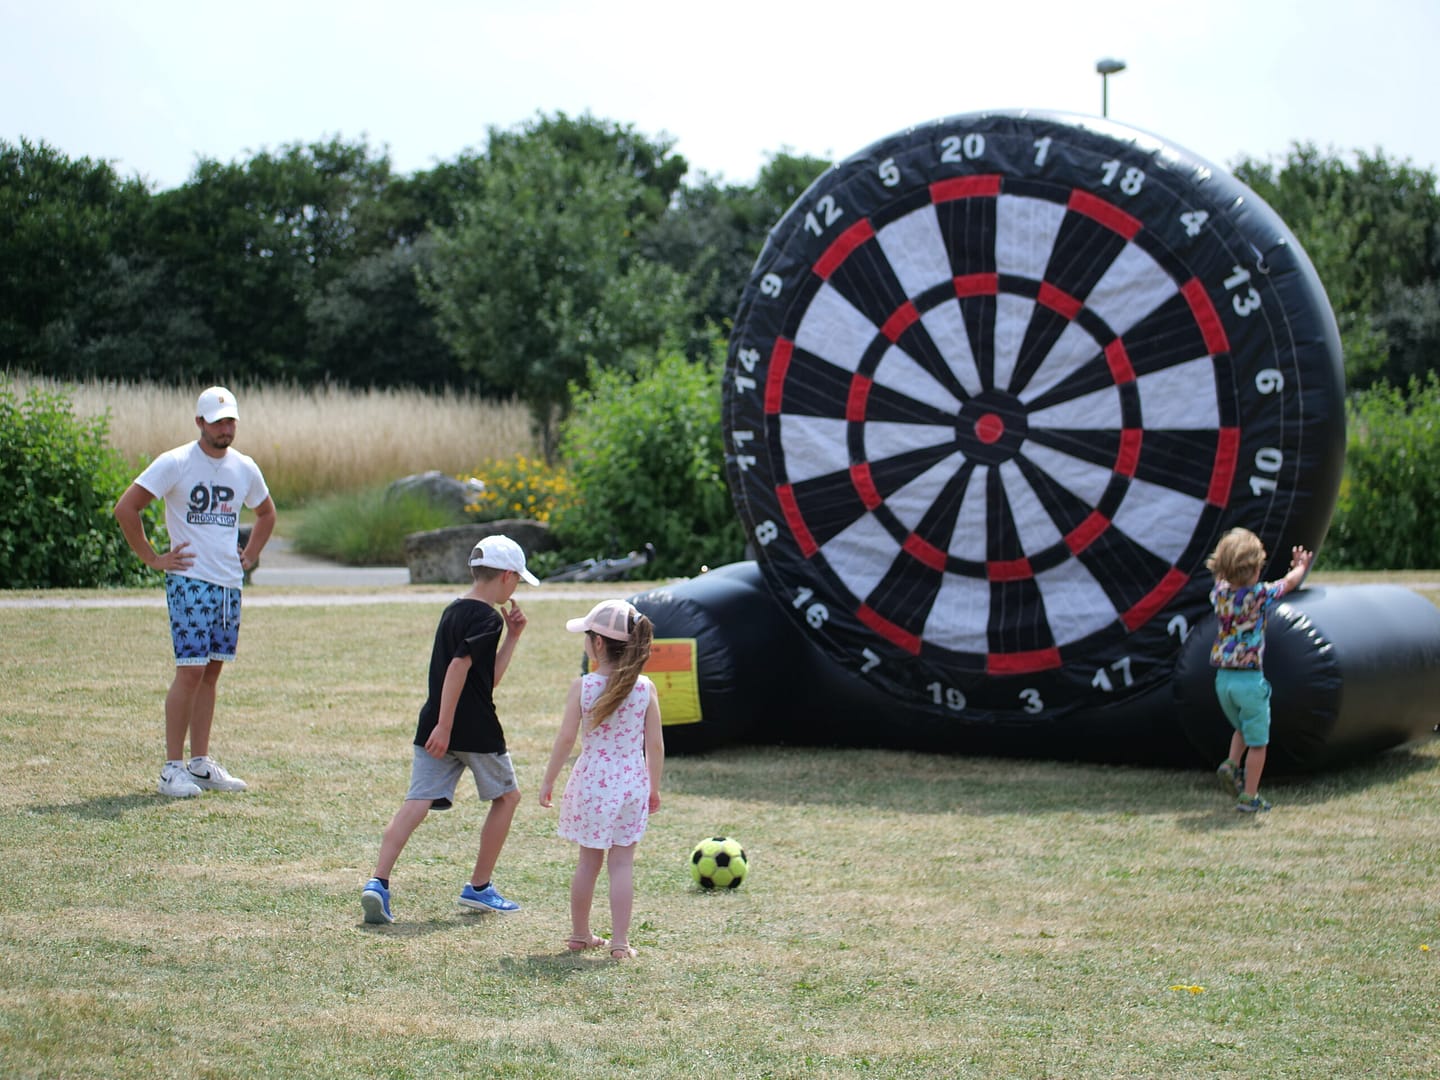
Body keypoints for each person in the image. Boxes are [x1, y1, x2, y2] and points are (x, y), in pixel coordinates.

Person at [361, 535, 537, 924]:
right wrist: (447, 725)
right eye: (518, 581)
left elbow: (482, 677)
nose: (516, 589)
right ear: (507, 577)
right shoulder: (488, 618)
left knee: (416, 802)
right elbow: (460, 668)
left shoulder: (454, 610)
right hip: (472, 728)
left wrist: (514, 637)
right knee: (508, 797)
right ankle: (479, 887)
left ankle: (378, 882)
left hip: (434, 724)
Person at [113, 386, 276, 798]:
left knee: (211, 671)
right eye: (218, 421)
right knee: (189, 669)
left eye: (231, 421)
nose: (226, 428)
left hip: (227, 585)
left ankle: (200, 763)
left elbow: (266, 513)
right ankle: (172, 769)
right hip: (190, 581)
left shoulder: (244, 467)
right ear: (200, 422)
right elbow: (126, 508)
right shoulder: (177, 462)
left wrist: (250, 554)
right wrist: (153, 557)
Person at [539, 599, 664, 960]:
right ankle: (620, 943)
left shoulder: (583, 686)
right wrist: (653, 787)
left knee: (588, 862)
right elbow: (654, 745)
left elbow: (565, 739)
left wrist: (548, 781)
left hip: (592, 782)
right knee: (622, 864)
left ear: (597, 644)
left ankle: (580, 933)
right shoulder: (645, 689)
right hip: (631, 783)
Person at [1207, 527, 1313, 813]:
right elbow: (1287, 584)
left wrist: (1227, 559)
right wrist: (1300, 567)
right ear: (1255, 570)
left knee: (1243, 725)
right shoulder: (1258, 594)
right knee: (1258, 742)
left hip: (1223, 680)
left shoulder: (1219, 594)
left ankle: (1231, 763)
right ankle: (1250, 797)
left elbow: (1221, 575)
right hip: (1249, 680)